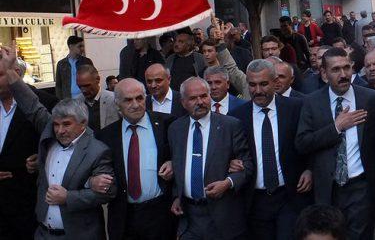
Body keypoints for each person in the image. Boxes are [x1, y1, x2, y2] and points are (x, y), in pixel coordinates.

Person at [2, 44, 117, 240]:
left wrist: (68, 197)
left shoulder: (97, 150)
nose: (60, 130)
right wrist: (9, 70)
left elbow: (108, 192)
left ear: (82, 123)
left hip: (79, 235)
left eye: (66, 125)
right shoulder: (51, 140)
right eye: (56, 125)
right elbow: (32, 106)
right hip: (43, 233)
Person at [295, 48, 375, 240]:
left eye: (346, 68)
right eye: (336, 70)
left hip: (360, 187)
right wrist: (336, 127)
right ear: (324, 74)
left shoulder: (371, 99)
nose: (343, 75)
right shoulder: (311, 102)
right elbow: (302, 143)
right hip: (327, 189)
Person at [228, 60, 313, 239]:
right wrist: (231, 161)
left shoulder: (296, 108)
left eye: (263, 84)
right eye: (252, 85)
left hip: (290, 197)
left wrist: (309, 169)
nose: (258, 90)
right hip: (254, 201)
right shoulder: (236, 117)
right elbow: (231, 151)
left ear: (275, 82)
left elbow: (309, 143)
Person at [168, 77, 254, 240]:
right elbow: (178, 167)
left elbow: (247, 165)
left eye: (204, 96)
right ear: (183, 102)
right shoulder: (175, 129)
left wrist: (227, 182)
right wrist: (176, 197)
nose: (200, 102)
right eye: (193, 98)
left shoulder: (230, 125)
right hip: (189, 217)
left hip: (223, 215)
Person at [95, 78, 175, 240]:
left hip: (160, 214)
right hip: (124, 216)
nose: (135, 104)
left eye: (139, 98)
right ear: (117, 104)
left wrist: (174, 162)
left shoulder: (167, 124)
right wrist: (93, 180)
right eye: (128, 100)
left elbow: (182, 154)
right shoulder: (106, 136)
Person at [0, 56, 40, 239]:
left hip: (28, 204)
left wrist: (42, 158)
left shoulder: (43, 103)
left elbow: (60, 145)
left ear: (15, 74)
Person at [73, 64, 119, 132]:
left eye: (87, 85)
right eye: (80, 86)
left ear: (98, 79)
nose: (83, 90)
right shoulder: (75, 103)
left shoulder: (114, 99)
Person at [54, 35, 93, 99]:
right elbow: (58, 85)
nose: (82, 49)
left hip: (85, 98)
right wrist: (60, 101)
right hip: (68, 99)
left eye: (83, 46)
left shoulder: (86, 61)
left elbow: (93, 80)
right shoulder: (61, 64)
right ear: (71, 46)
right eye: (79, 46)